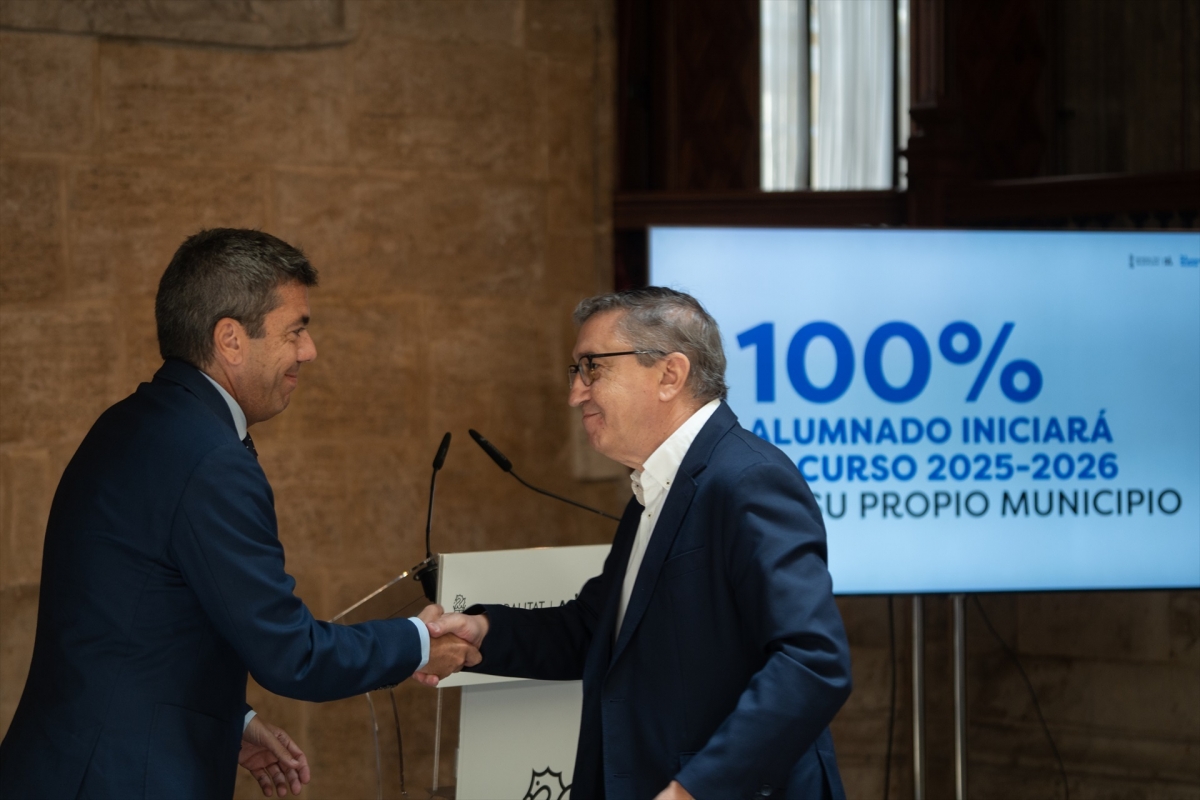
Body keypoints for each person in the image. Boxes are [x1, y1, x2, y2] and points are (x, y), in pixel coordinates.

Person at [0, 229, 480, 799]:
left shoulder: (133, 422)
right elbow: (292, 654)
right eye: (296, 330)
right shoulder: (207, 457)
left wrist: (233, 721)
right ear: (230, 339)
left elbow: (133, 625)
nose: (309, 351)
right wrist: (421, 641)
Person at [420, 287, 852, 800]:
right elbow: (598, 631)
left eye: (592, 368)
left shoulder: (747, 480)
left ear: (670, 374)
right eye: (576, 371)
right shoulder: (656, 488)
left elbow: (812, 661)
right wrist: (480, 633)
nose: (575, 393)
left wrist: (696, 790)